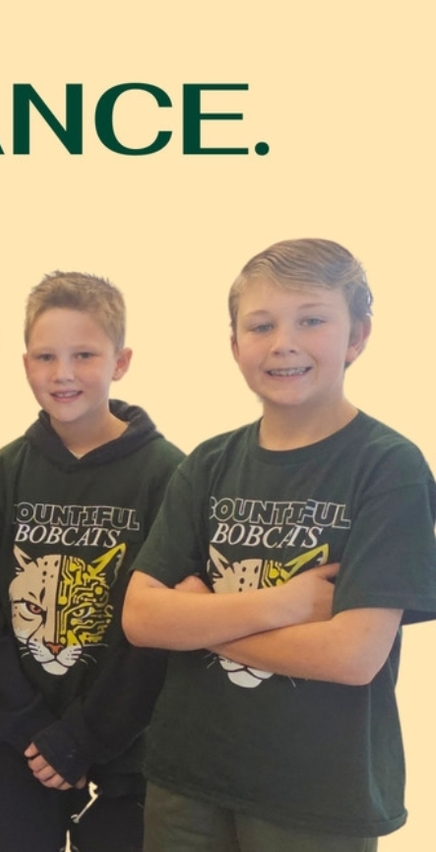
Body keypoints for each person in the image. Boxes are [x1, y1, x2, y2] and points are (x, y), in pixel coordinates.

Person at [123, 238, 436, 851]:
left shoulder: (389, 468)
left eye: (312, 320)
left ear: (358, 335)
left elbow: (352, 656)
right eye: (260, 325)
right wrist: (290, 604)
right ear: (235, 344)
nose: (282, 342)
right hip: (185, 780)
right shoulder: (208, 464)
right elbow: (140, 616)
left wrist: (198, 619)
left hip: (316, 797)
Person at [0, 272, 184, 852]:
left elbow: (161, 632)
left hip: (124, 752)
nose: (63, 374)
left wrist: (85, 737)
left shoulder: (168, 475)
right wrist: (33, 735)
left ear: (121, 360)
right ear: (26, 364)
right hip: (20, 747)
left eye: (84, 355)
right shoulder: (4, 473)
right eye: (46, 357)